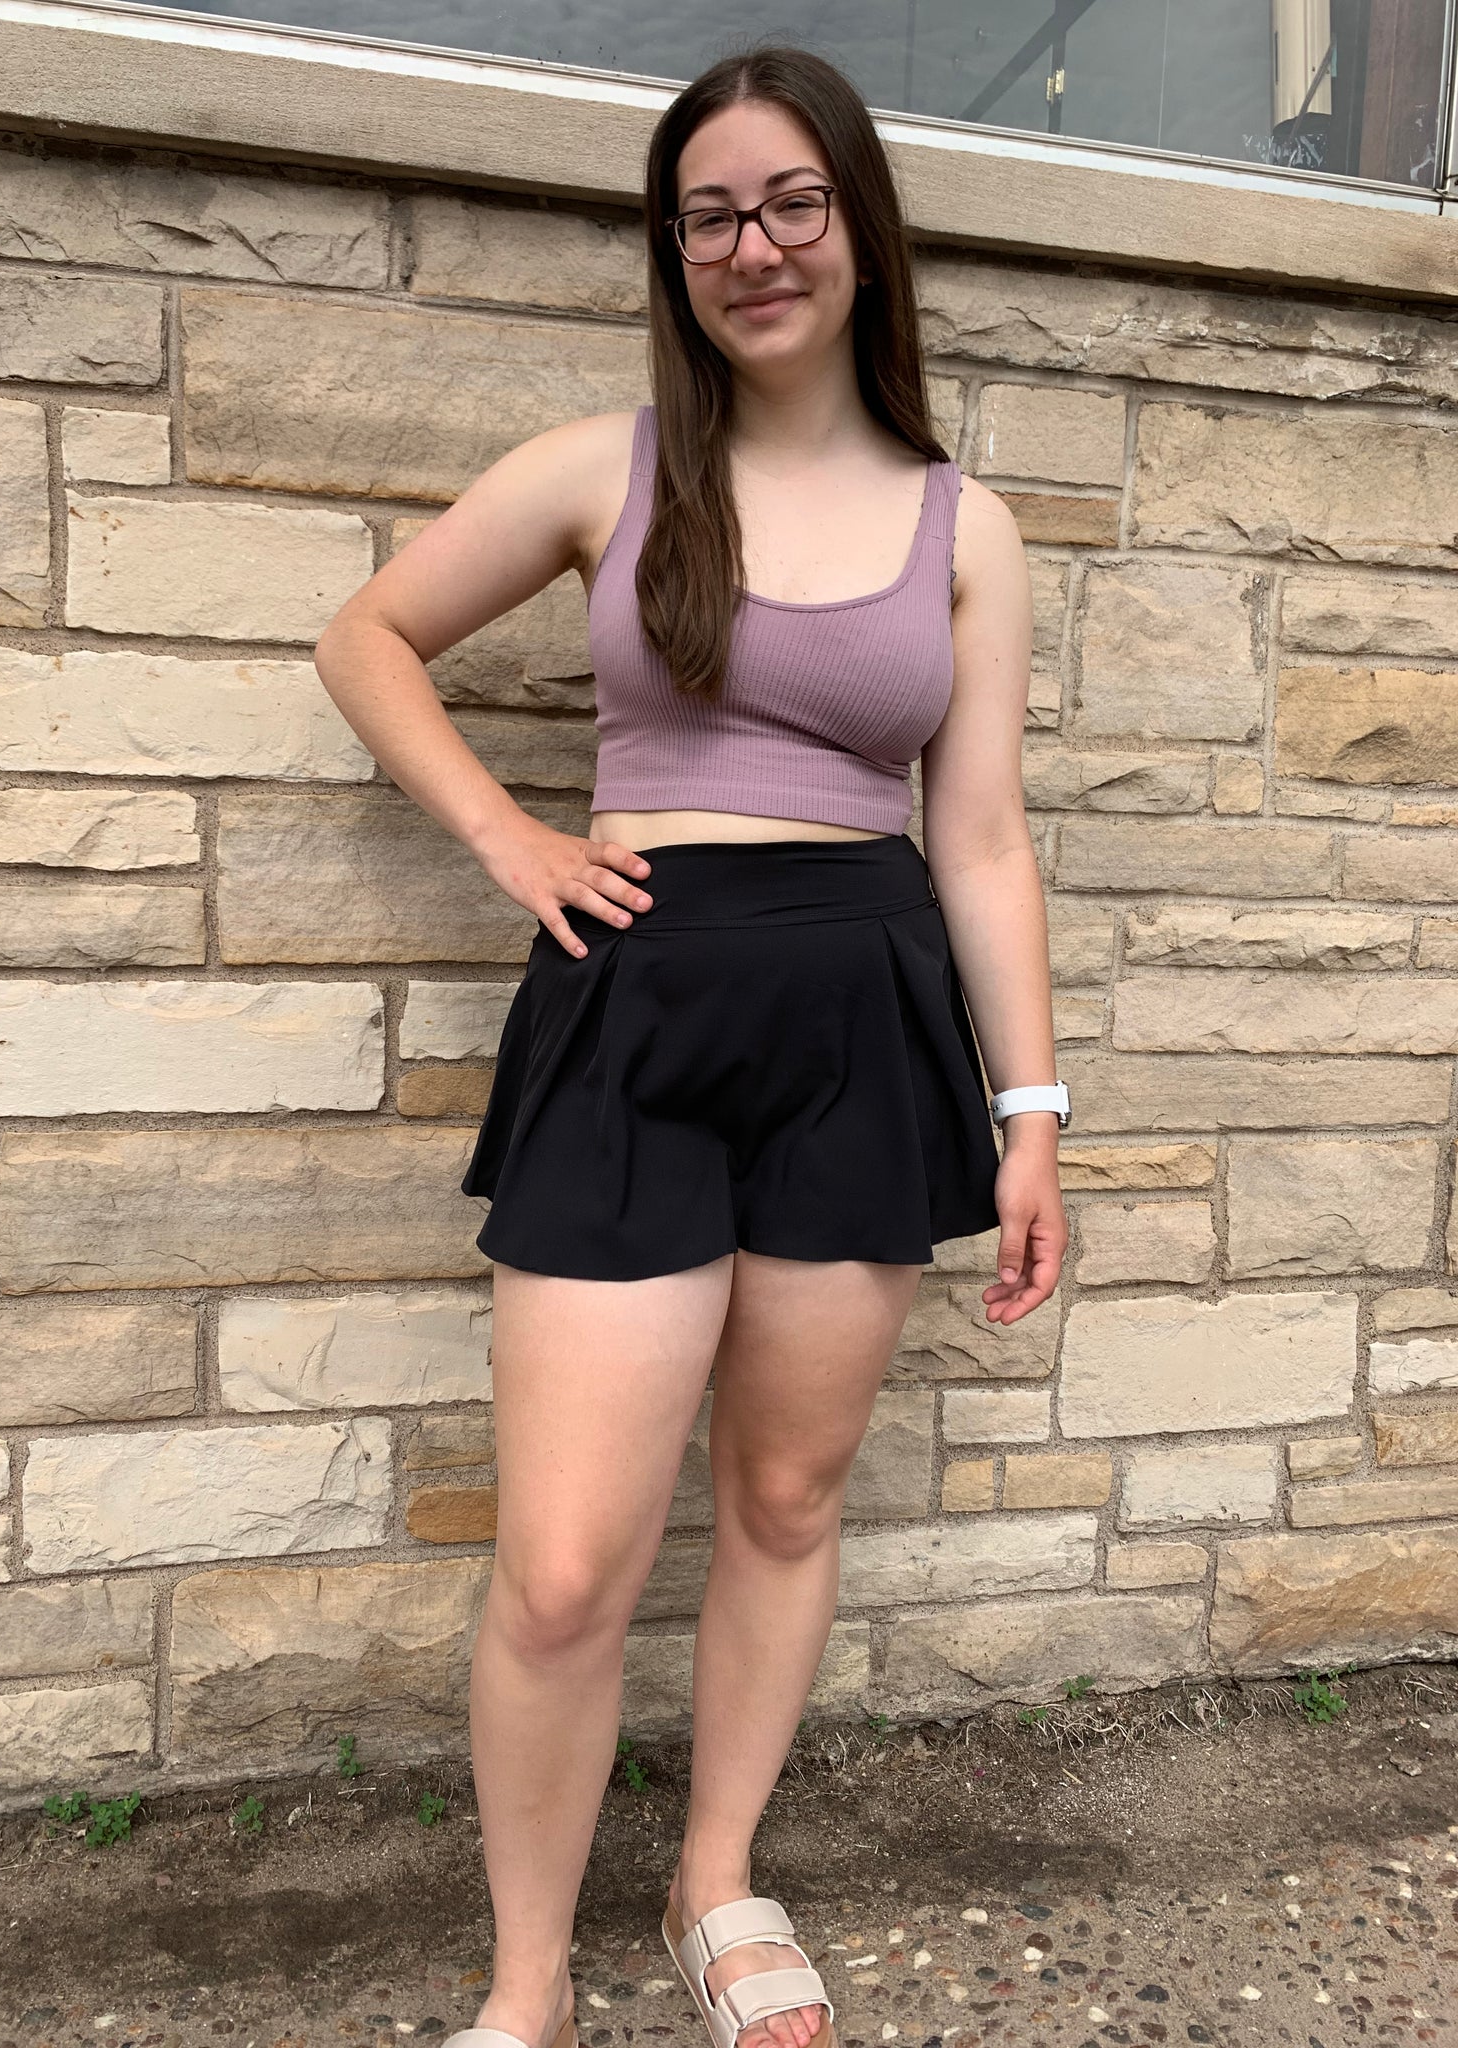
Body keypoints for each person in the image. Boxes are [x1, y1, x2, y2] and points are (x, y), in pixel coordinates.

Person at [313, 40, 1069, 2048]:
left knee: (789, 1499)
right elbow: (366, 639)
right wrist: (509, 836)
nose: (754, 246)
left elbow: (983, 838)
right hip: (635, 1006)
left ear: (860, 226)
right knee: (567, 1566)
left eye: (792, 202)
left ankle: (715, 1877)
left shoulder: (965, 528)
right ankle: (530, 1983)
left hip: (863, 1024)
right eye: (711, 213)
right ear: (675, 248)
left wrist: (1032, 1112)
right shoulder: (608, 469)